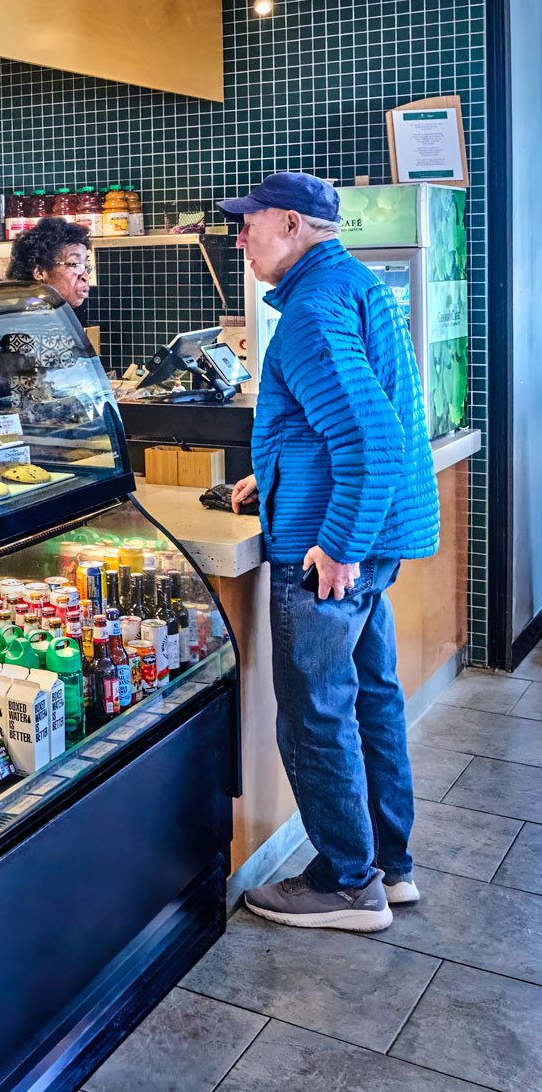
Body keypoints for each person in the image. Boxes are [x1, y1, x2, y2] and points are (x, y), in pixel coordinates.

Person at [223, 171, 438, 933]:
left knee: (314, 713)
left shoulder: (310, 310)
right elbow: (361, 417)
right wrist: (274, 471)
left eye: (246, 223)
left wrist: (338, 541)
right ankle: (389, 863)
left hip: (330, 548)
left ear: (288, 222)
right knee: (371, 697)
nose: (239, 237)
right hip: (371, 538)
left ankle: (347, 883)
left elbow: (370, 439)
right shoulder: (353, 284)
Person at [6, 215, 92, 311]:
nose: (84, 276)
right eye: (74, 264)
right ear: (39, 272)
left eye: (85, 265)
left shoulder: (57, 312)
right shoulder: (39, 315)